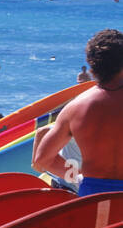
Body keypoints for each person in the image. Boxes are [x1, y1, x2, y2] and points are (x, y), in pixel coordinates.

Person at [33, 29, 123, 196]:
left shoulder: (76, 107)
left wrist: (77, 178)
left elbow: (43, 158)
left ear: (91, 65)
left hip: (92, 196)